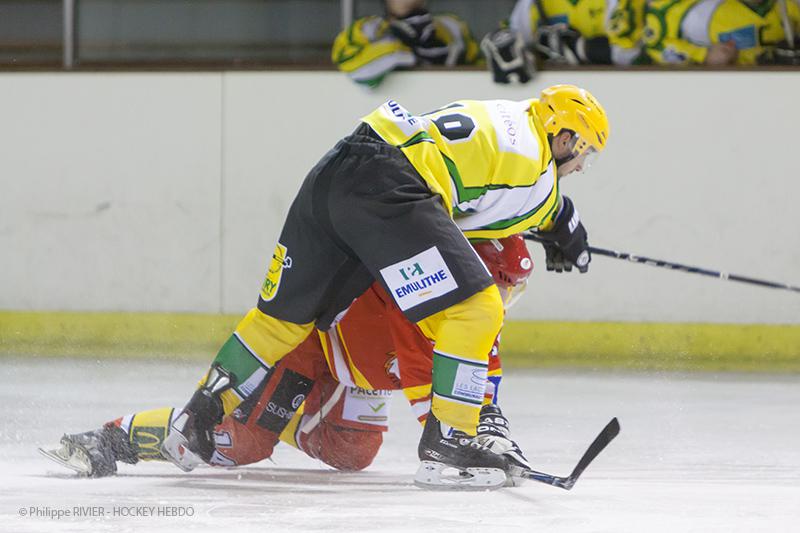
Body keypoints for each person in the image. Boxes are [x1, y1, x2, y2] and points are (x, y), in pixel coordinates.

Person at [158, 84, 609, 489]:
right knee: (477, 307)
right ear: (564, 138)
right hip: (391, 187)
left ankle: (198, 415)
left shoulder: (507, 114)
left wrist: (557, 223)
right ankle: (452, 439)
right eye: (584, 154)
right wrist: (564, 226)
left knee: (278, 322)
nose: (581, 167)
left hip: (337, 167)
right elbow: (476, 227)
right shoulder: (537, 171)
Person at [41, 236, 534, 487]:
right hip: (309, 345)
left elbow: (481, 401)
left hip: (355, 368)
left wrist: (495, 440)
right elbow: (443, 418)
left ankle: (272, 415)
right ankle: (111, 439)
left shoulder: (471, 314)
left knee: (352, 454)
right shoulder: (421, 303)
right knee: (240, 443)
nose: (500, 303)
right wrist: (473, 451)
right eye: (498, 287)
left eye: (510, 291)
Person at [481, 0, 647, 83]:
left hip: (615, 91)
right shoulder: (531, 3)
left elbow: (635, 55)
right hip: (555, 96)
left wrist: (583, 48)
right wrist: (507, 48)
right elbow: (516, 41)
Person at [332, 0, 480, 87]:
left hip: (441, 113)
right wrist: (402, 49)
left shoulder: (451, 26)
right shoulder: (368, 28)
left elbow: (478, 69)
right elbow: (350, 65)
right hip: (392, 115)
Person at [642, 0, 800, 65]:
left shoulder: (790, 5)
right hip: (717, 95)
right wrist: (704, 55)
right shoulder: (677, 6)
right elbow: (655, 45)